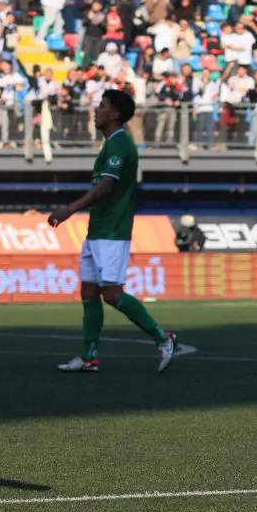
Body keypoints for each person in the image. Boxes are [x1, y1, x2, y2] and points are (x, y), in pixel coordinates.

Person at [47, 90, 178, 374]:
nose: (96, 109)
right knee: (89, 291)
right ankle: (88, 356)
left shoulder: (120, 145)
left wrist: (69, 209)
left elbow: (106, 187)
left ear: (115, 113)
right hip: (98, 230)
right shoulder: (110, 145)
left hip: (113, 232)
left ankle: (163, 338)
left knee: (113, 294)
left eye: (102, 105)